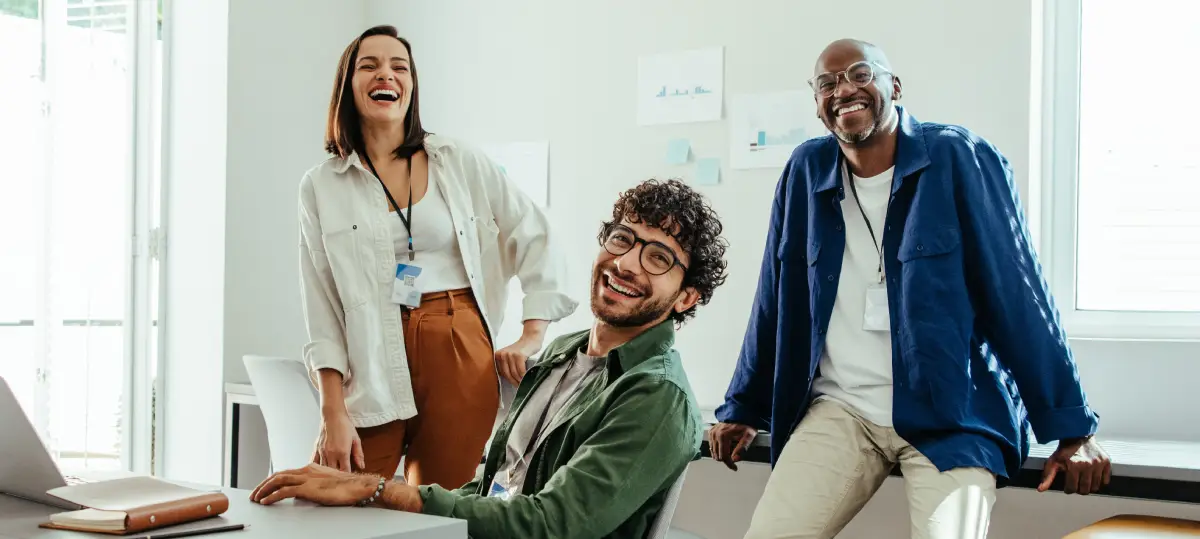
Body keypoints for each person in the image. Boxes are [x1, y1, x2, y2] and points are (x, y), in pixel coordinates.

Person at [708, 39, 1112, 539]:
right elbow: (775, 294)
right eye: (828, 83)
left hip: (949, 413)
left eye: (860, 74)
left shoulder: (959, 156)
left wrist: (1072, 428)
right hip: (842, 409)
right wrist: (744, 407)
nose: (844, 90)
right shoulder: (804, 170)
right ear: (816, 102)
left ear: (893, 86)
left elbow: (1019, 291)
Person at [253, 178, 729, 539]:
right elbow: (490, 489)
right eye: (623, 239)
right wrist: (376, 496)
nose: (626, 264)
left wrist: (378, 490)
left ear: (686, 297)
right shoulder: (562, 354)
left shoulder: (656, 394)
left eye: (658, 258)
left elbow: (552, 524)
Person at [298, 25, 578, 489]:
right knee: (337, 497)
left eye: (399, 66)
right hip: (369, 355)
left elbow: (535, 235)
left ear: (411, 85)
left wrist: (531, 335)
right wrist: (332, 409)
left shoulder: (457, 160)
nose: (385, 74)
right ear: (348, 85)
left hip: (457, 341)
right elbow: (320, 301)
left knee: (444, 507)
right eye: (368, 65)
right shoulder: (321, 184)